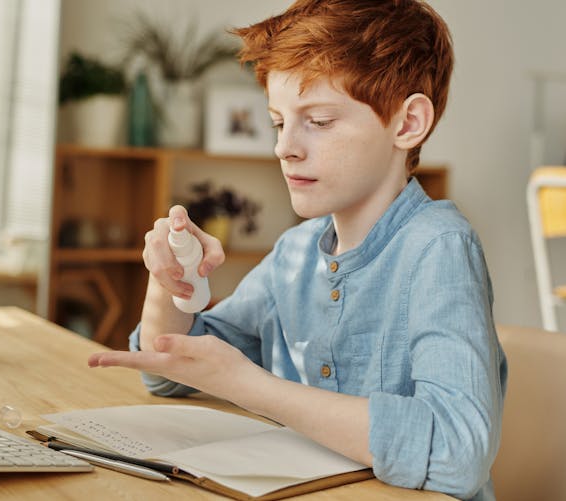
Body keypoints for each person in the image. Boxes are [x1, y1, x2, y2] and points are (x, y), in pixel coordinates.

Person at [88, 1, 507, 499]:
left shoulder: (438, 247)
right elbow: (172, 375)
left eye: (321, 121)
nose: (284, 147)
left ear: (408, 122)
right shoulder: (296, 252)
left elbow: (458, 451)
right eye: (278, 122)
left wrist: (251, 387)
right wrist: (170, 285)